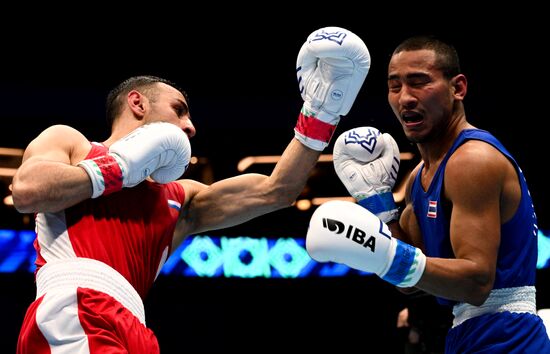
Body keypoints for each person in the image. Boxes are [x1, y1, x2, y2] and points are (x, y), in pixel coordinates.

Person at [11, 26, 371, 353]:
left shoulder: (182, 197)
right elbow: (27, 191)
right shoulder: (72, 143)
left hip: (135, 325)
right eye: (179, 111)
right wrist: (118, 167)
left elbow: (277, 190)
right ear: (137, 103)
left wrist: (321, 112)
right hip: (77, 306)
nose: (191, 127)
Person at [306, 35, 550, 352]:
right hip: (468, 332)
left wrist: (388, 257)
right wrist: (379, 206)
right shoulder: (419, 178)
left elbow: (476, 282)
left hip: (508, 334)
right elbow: (414, 282)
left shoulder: (472, 161)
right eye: (395, 86)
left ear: (457, 88)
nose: (405, 97)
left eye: (419, 83)